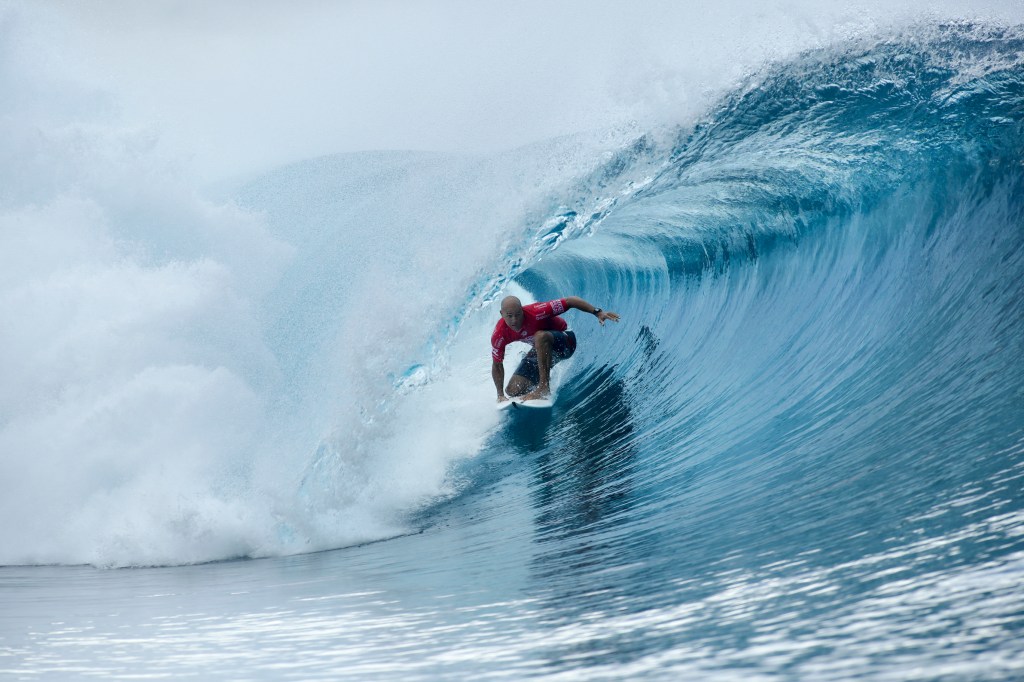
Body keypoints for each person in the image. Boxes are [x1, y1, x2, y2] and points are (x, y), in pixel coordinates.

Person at [491, 295, 620, 402]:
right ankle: (541, 379)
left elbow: (570, 301)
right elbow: (497, 365)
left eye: (518, 314)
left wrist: (597, 312)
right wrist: (500, 395)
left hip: (565, 342)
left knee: (540, 336)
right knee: (513, 390)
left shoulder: (537, 312)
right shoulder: (499, 334)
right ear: (502, 314)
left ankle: (543, 388)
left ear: (522, 311)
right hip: (543, 349)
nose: (514, 320)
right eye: (509, 315)